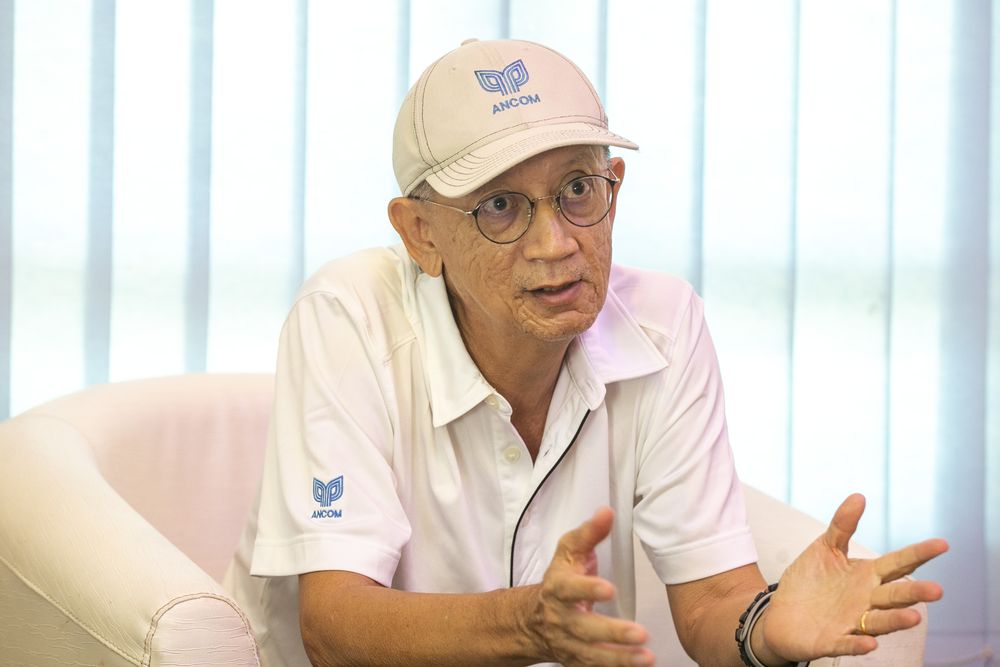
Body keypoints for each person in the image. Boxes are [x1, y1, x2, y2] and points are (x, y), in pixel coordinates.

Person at [224, 38, 948, 667]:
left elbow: (713, 601)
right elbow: (332, 627)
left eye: (577, 188)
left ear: (614, 187)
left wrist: (765, 630)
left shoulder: (665, 324)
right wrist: (528, 621)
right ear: (421, 234)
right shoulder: (348, 315)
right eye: (501, 206)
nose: (558, 243)